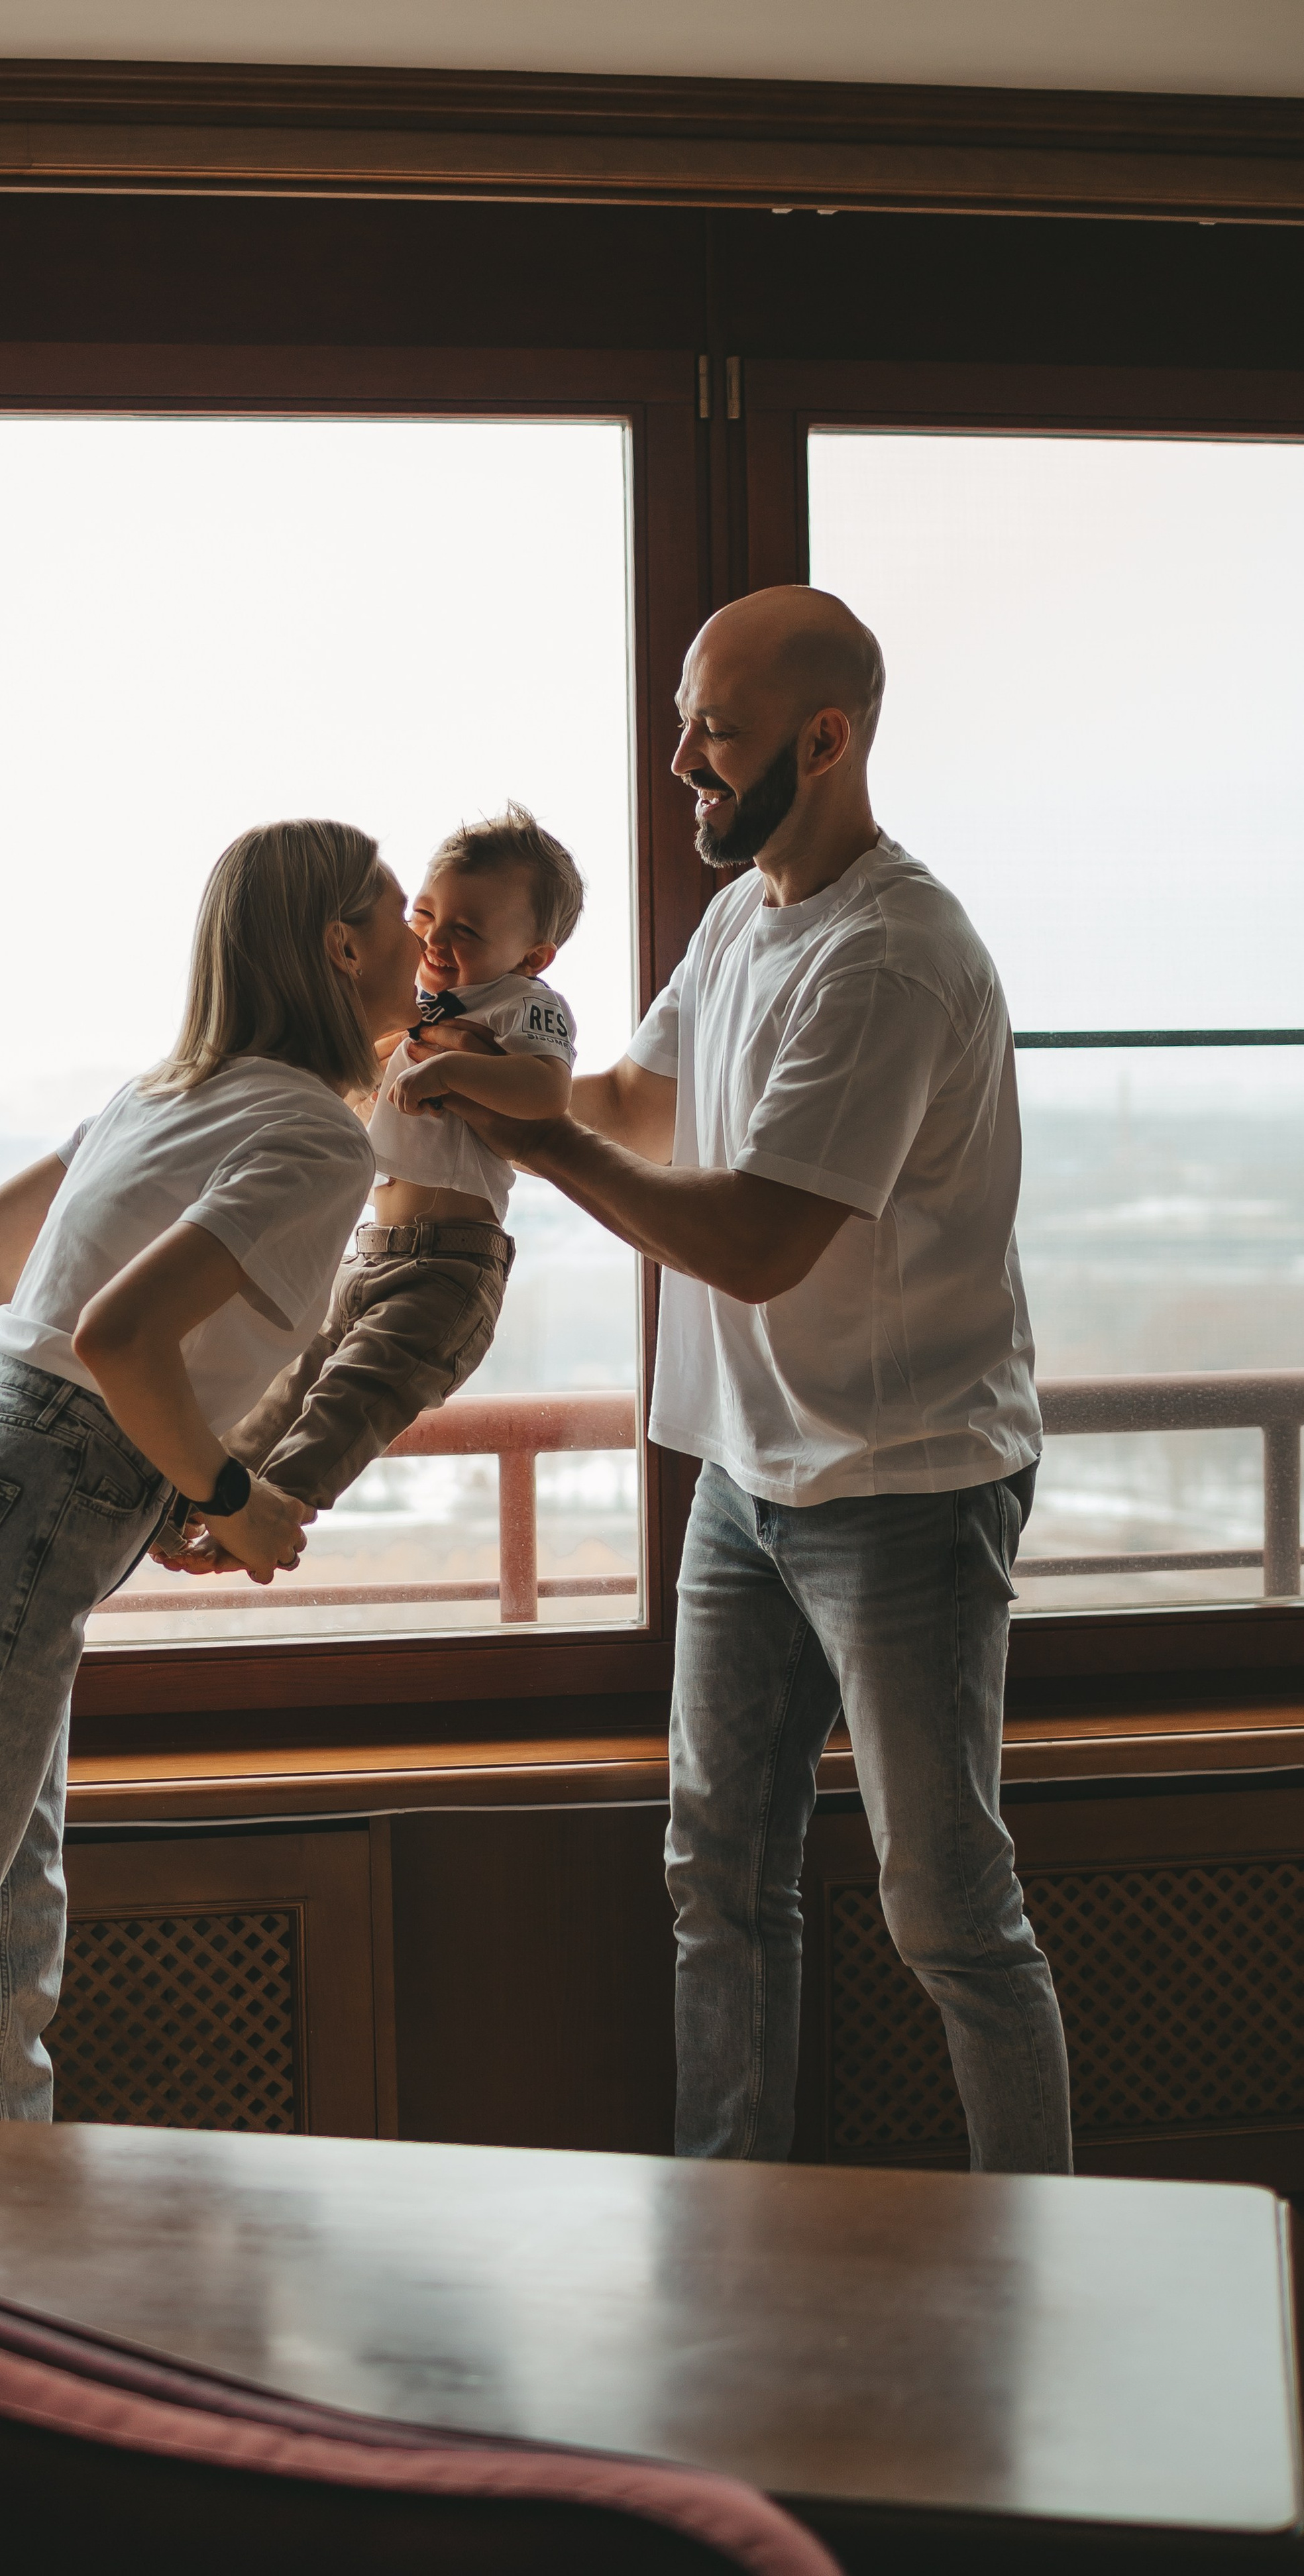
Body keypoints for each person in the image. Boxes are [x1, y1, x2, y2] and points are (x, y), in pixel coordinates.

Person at [445, 586, 1073, 2175]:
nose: (678, 760)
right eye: (679, 720)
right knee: (714, 1882)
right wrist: (456, 1057)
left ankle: (1058, 2258)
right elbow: (635, 1105)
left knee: (946, 1908)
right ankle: (734, 2247)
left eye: (710, 731)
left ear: (824, 737)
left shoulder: (893, 954)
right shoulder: (740, 916)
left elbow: (752, 1239)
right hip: (745, 1477)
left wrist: (537, 1138)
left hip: (906, 1488)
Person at [0, 820, 423, 2118]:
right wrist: (228, 1494)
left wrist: (125, 1455)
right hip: (16, 1517)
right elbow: (117, 1336)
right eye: (397, 916)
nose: (420, 944)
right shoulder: (317, 1136)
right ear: (341, 945)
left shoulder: (158, 1092)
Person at [214, 804, 582, 1519]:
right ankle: (201, 1497)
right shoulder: (410, 1009)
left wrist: (449, 1075)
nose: (435, 942)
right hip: (367, 1252)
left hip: (448, 1263)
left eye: (466, 931)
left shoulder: (524, 1004)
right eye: (423, 918)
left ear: (533, 956)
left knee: (349, 1397)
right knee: (288, 1385)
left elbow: (547, 1092)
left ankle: (276, 1510)